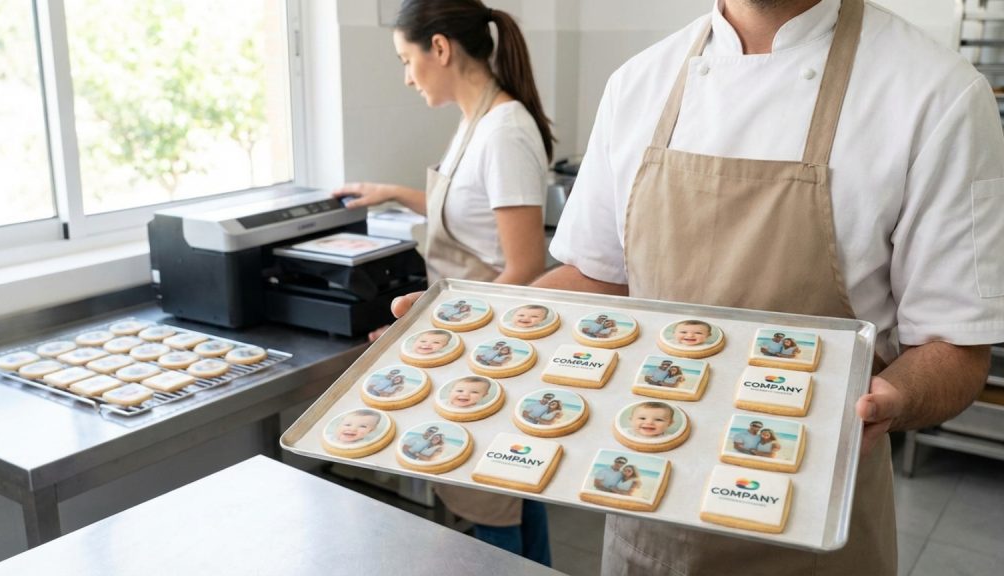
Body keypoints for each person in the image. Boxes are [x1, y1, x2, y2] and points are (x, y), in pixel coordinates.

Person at [389, 1, 1003, 572]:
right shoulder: (639, 84)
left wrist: (890, 396)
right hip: (640, 498)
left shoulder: (936, 94)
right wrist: (475, 326)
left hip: (813, 525)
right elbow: (596, 277)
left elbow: (956, 349)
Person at [334, 1, 555, 565]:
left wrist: (433, 335)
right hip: (473, 335)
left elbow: (525, 264)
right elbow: (472, 206)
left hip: (490, 343)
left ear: (440, 48)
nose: (406, 77)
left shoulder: (504, 131)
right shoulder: (474, 122)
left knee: (492, 501)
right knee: (510, 490)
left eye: (407, 59)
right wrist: (392, 191)